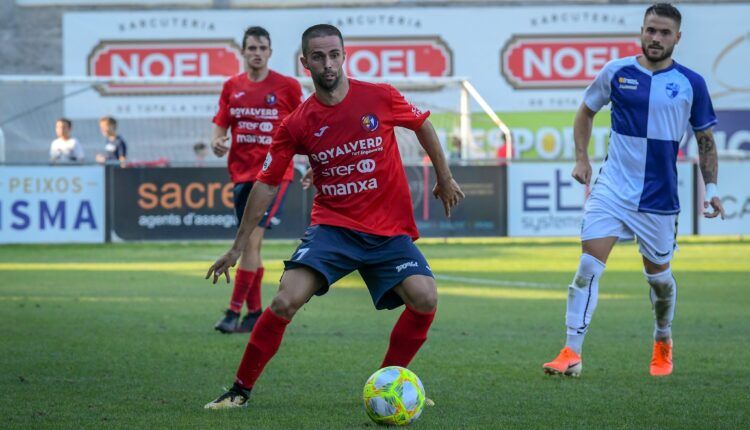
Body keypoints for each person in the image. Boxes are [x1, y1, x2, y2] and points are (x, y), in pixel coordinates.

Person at [203, 24, 464, 409]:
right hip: (333, 230)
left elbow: (422, 123)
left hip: (388, 232)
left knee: (425, 298)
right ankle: (239, 391)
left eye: (334, 54)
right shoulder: (296, 123)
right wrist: (237, 246)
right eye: (319, 56)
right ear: (305, 62)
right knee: (285, 301)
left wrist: (445, 177)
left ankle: (387, 382)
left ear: (344, 55)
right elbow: (267, 183)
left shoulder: (379, 96)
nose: (328, 63)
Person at [542, 3, 725, 378]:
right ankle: (571, 352)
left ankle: (662, 338)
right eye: (650, 31)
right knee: (587, 268)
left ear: (677, 37)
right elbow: (585, 112)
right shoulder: (617, 72)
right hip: (612, 189)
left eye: (664, 33)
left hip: (658, 200)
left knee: (659, 280)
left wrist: (713, 189)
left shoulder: (691, 83)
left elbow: (705, 140)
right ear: (641, 31)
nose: (655, 38)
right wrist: (582, 160)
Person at [210, 26, 303, 334]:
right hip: (240, 173)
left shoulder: (287, 86)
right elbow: (220, 124)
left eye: (262, 48)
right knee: (251, 244)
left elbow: (307, 124)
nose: (257, 53)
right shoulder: (231, 86)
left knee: (251, 239)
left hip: (274, 174)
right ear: (244, 51)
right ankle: (254, 313)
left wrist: (316, 159)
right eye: (252, 48)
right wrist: (217, 142)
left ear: (270, 52)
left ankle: (232, 312)